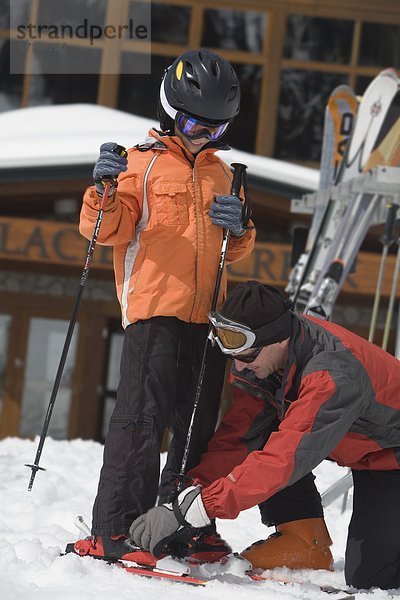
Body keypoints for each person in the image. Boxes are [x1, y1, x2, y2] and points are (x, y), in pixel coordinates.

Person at [69, 50, 255, 563]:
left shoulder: (222, 173)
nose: (202, 137)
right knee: (141, 422)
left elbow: (232, 249)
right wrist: (104, 187)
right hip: (154, 311)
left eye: (215, 130)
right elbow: (106, 231)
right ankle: (116, 529)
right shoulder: (140, 163)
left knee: (197, 429)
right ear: (170, 110)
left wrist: (240, 226)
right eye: (195, 123)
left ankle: (182, 528)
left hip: (209, 318)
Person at [129, 280, 400, 590]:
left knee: (373, 578)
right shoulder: (268, 363)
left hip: (392, 460)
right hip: (369, 457)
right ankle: (304, 539)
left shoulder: (331, 376)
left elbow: (284, 459)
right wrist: (188, 494)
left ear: (279, 340)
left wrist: (202, 507)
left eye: (246, 356)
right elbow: (240, 439)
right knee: (268, 443)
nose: (239, 366)